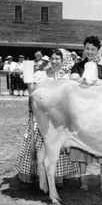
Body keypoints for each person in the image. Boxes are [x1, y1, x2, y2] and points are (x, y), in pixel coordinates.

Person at [16, 49, 79, 185]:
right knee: (39, 146)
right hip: (42, 116)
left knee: (57, 146)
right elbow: (32, 94)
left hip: (59, 118)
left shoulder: (66, 78)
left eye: (57, 59)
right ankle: (39, 176)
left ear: (63, 61)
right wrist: (29, 83)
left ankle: (57, 177)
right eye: (52, 58)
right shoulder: (40, 75)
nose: (54, 61)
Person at [69, 35, 102, 192]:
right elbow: (73, 76)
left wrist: (100, 81)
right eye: (87, 48)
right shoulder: (79, 65)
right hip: (82, 112)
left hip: (101, 112)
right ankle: (83, 180)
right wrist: (80, 79)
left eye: (93, 49)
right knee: (82, 147)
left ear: (97, 50)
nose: (89, 51)